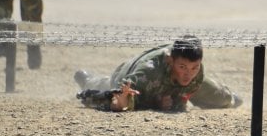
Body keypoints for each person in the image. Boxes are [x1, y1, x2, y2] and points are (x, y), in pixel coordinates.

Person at [76, 36, 243, 112]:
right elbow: (121, 98)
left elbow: (189, 87)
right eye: (183, 67)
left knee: (225, 99)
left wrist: (176, 102)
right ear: (170, 61)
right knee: (110, 87)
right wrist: (154, 103)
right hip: (127, 74)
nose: (188, 74)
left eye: (195, 67)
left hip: (173, 88)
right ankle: (88, 79)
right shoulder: (147, 73)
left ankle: (230, 97)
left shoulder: (195, 75)